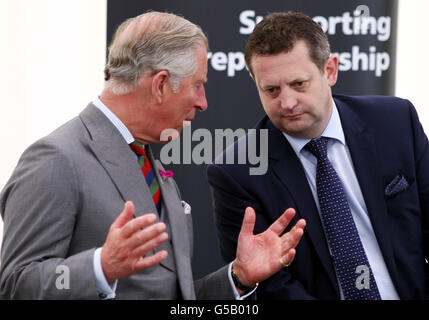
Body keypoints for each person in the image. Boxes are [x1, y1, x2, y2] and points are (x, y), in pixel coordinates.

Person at [0, 11, 306, 300]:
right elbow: (16, 283)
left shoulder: (147, 160)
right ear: (160, 85)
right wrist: (98, 268)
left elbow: (170, 295)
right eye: (197, 85)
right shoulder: (56, 158)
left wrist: (238, 277)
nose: (203, 102)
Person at [207, 12, 429, 300]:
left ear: (330, 70)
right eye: (271, 90)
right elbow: (271, 286)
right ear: (254, 82)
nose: (287, 103)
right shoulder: (237, 171)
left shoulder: (395, 121)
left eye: (299, 84)